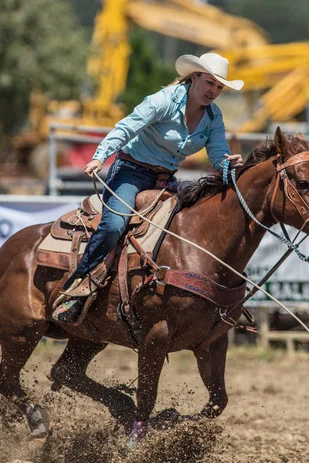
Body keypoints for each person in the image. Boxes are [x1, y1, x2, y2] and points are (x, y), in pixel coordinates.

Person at [52, 52, 244, 323]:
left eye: (219, 87)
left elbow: (218, 155)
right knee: (114, 226)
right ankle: (74, 289)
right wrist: (99, 156)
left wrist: (229, 166)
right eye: (210, 83)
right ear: (194, 77)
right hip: (130, 172)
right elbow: (127, 127)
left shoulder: (213, 118)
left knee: (187, 231)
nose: (213, 91)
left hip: (166, 179)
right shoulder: (164, 100)